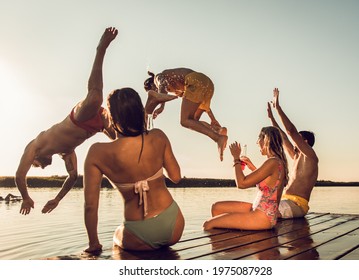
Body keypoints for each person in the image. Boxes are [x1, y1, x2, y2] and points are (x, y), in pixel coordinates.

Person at [15, 27, 118, 215]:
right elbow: (72, 177)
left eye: (36, 166)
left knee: (95, 97)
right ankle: (150, 106)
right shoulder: (67, 152)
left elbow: (20, 176)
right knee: (124, 141)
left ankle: (100, 49)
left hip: (78, 119)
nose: (42, 167)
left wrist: (25, 197)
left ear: (35, 159)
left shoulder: (36, 144)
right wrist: (57, 199)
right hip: (98, 126)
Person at [83, 87, 184, 253]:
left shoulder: (97, 153)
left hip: (139, 234)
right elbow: (176, 177)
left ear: (111, 116)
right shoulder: (158, 136)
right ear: (140, 111)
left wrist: (93, 244)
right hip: (174, 224)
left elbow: (90, 206)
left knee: (117, 235)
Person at [203, 126, 288, 231]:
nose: (257, 142)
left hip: (262, 217)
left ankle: (225, 243)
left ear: (266, 139)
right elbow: (267, 182)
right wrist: (251, 166)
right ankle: (226, 241)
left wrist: (236, 158)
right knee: (216, 208)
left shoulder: (272, 162)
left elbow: (241, 184)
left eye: (259, 138)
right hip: (260, 211)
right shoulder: (276, 162)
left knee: (208, 224)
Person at [143, 68, 228, 161]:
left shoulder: (158, 77)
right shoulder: (178, 88)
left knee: (184, 121)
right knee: (193, 120)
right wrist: (212, 119)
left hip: (195, 81)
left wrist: (161, 107)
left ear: (152, 85)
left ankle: (217, 138)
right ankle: (217, 130)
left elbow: (162, 87)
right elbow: (198, 103)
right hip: (207, 84)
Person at [267, 88, 319, 218]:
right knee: (258, 207)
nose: (295, 141)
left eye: (298, 139)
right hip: (285, 201)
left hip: (297, 205)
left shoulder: (310, 156)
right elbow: (283, 135)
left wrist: (278, 108)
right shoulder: (296, 156)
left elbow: (291, 132)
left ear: (305, 142)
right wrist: (272, 118)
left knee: (262, 211)